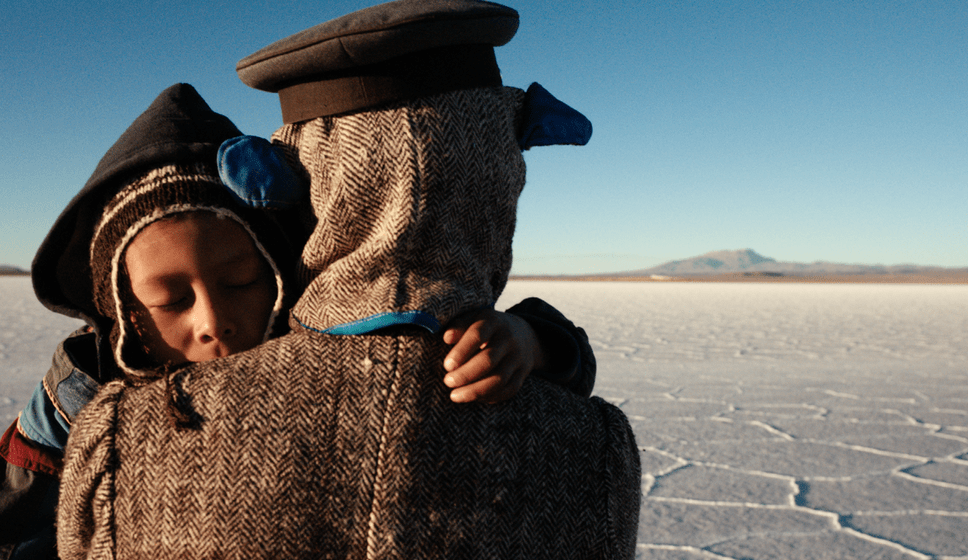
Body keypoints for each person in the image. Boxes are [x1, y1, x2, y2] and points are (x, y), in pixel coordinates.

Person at [57, 3, 641, 559]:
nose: (214, 323)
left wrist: (535, 339)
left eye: (239, 279)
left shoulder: (117, 438)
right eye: (170, 297)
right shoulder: (593, 447)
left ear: (286, 187)